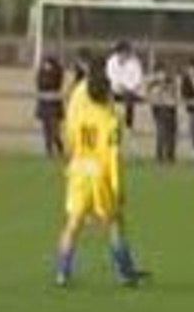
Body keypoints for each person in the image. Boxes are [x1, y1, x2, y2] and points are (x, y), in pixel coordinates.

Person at [55, 60, 145, 288]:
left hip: (78, 171)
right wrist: (118, 186)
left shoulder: (80, 116)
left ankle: (62, 272)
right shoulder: (111, 121)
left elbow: (70, 142)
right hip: (100, 174)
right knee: (114, 223)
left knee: (72, 223)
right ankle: (124, 272)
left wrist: (71, 164)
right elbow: (113, 157)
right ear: (106, 93)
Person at [105, 41, 144, 131]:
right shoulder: (111, 62)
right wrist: (118, 86)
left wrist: (127, 88)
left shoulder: (135, 63)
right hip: (115, 90)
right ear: (119, 52)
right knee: (107, 96)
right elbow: (110, 77)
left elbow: (137, 80)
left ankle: (128, 125)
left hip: (130, 91)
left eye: (128, 52)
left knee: (129, 99)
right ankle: (109, 121)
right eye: (124, 52)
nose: (127, 54)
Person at [147, 63, 179, 164]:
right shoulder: (153, 84)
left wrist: (169, 89)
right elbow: (151, 96)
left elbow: (174, 95)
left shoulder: (170, 81)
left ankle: (170, 156)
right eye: (160, 72)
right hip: (159, 111)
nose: (162, 74)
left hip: (171, 110)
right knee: (161, 134)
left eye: (163, 72)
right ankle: (159, 157)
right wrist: (159, 90)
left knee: (171, 134)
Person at [35, 55, 65, 158]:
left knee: (54, 129)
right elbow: (40, 84)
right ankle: (49, 150)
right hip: (44, 103)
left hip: (54, 104)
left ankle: (59, 147)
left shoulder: (58, 71)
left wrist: (50, 72)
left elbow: (55, 84)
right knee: (46, 128)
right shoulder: (41, 72)